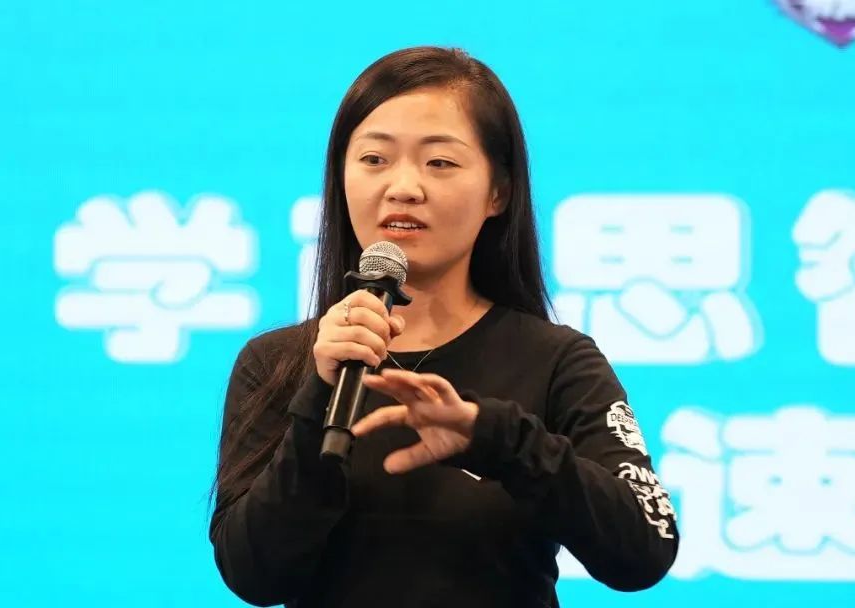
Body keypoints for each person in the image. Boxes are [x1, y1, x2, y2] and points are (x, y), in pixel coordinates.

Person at [209, 46, 679, 607]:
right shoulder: (279, 363)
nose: (404, 187)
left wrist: (497, 440)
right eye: (374, 159)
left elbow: (645, 548)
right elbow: (253, 575)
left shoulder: (555, 361)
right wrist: (317, 402)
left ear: (499, 191)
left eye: (439, 163)